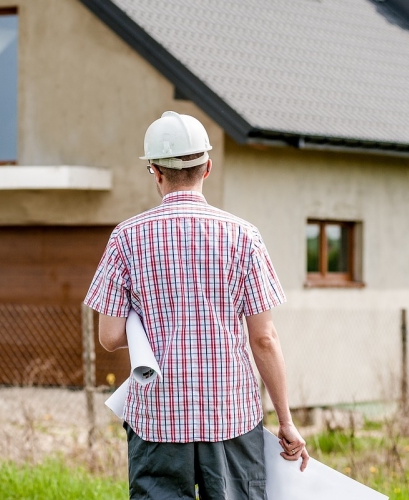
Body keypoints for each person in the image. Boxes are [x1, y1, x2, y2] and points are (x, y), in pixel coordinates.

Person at [84, 111, 309, 499]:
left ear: (155, 172)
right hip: (231, 418)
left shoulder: (126, 238)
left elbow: (109, 336)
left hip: (157, 420)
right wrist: (286, 421)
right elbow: (265, 339)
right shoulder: (243, 236)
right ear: (207, 167)